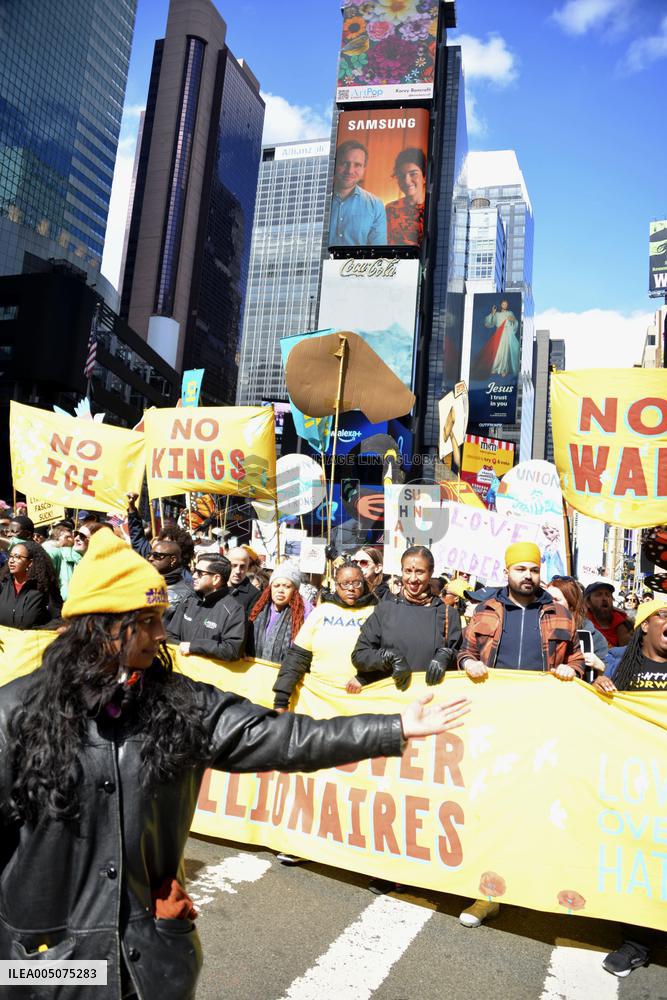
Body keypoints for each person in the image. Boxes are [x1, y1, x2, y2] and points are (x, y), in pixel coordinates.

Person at [0, 530, 470, 1000]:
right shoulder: (15, 714)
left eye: (160, 618)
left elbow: (284, 737)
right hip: (46, 968)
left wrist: (392, 728)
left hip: (147, 966)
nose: (161, 634)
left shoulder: (178, 705)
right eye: (145, 621)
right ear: (99, 627)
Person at [456, 542, 584, 928]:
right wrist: (468, 662)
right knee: (489, 805)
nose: (528, 576)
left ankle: (533, 884)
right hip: (493, 725)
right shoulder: (486, 610)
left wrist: (572, 670)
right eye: (520, 569)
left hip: (540, 728)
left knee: (534, 806)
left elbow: (575, 657)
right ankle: (487, 893)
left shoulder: (558, 613)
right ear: (507, 572)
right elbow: (463, 651)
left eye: (533, 569)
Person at [594, 598, 667, 977]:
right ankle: (637, 942)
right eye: (663, 615)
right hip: (637, 785)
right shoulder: (621, 664)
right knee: (639, 858)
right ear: (645, 625)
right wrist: (598, 689)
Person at [352, 545, 462, 691]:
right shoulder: (385, 609)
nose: (413, 579)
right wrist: (387, 657)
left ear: (431, 573)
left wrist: (448, 655)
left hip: (431, 697)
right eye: (408, 571)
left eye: (420, 572)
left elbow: (463, 656)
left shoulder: (448, 614)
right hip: (390, 698)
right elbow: (360, 655)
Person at [273, 561, 377, 710]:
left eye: (356, 583)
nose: (351, 588)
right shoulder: (321, 612)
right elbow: (297, 657)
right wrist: (281, 700)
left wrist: (365, 678)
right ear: (336, 585)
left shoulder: (376, 612)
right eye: (345, 583)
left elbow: (388, 655)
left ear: (363, 583)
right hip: (320, 702)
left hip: (361, 702)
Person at [166, 553, 246, 662]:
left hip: (209, 672)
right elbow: (170, 635)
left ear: (216, 579)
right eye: (194, 571)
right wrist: (183, 648)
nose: (194, 576)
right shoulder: (189, 599)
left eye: (199, 573)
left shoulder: (234, 610)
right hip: (182, 669)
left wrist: (194, 647)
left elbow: (232, 650)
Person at [247, 562, 312, 662]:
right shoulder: (259, 609)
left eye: (287, 586)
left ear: (295, 590)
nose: (280, 590)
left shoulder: (304, 614)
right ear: (270, 588)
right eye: (276, 586)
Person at [328, 139, 387, 246]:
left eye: (357, 165)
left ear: (364, 169)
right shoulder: (315, 199)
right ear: (335, 164)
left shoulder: (375, 205)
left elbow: (378, 250)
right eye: (344, 163)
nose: (350, 171)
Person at [547, 576, 607, 676]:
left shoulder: (594, 637)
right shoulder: (536, 627)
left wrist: (600, 665)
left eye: (556, 600)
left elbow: (609, 676)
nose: (549, 603)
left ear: (571, 605)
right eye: (547, 598)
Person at [0, 539, 60, 628]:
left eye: (17, 557)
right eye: (11, 556)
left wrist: (37, 631)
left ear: (30, 562)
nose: (11, 561)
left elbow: (58, 620)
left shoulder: (44, 588)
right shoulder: (3, 584)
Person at [146, 539, 194, 626]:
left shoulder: (186, 595)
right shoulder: (142, 582)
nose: (150, 558)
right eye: (149, 555)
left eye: (157, 556)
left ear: (172, 560)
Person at [386, 147, 426, 246]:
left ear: (424, 177)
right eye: (402, 175)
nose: (407, 181)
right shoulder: (390, 209)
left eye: (413, 174)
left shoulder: (432, 210)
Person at [471, 299, 520, 380]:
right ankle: (495, 368)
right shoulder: (497, 314)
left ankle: (504, 370)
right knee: (497, 351)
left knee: (505, 352)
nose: (504, 305)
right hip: (499, 333)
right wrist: (492, 314)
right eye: (503, 304)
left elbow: (515, 323)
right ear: (501, 305)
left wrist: (513, 320)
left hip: (507, 333)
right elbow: (489, 323)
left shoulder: (510, 313)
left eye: (506, 304)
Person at [584, 581, 632, 648]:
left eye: (607, 595)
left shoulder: (625, 624)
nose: (604, 598)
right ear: (588, 602)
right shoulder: (582, 625)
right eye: (598, 595)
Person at [42, 522, 81, 601]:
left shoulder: (76, 553)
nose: (71, 539)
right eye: (67, 537)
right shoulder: (51, 552)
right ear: (57, 538)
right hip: (60, 598)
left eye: (71, 536)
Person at [227, 546, 261, 615]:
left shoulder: (254, 595)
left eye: (242, 567)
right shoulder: (216, 586)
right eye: (234, 565)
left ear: (247, 567)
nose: (238, 571)